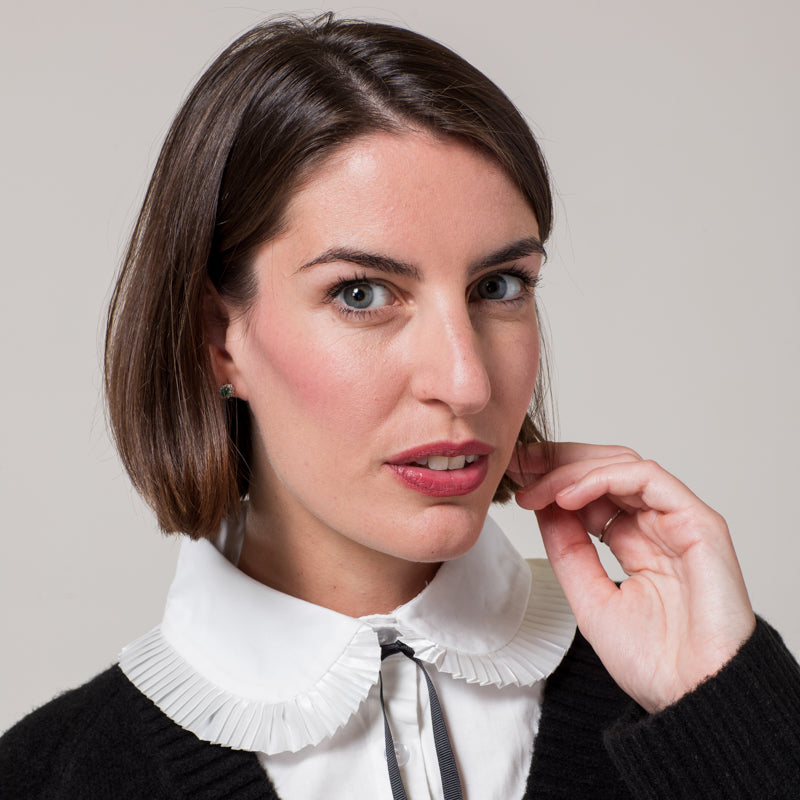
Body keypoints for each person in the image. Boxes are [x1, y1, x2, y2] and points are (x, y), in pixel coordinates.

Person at [1, 12, 798, 799]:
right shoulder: (46, 776)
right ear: (219, 338)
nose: (467, 381)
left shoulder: (686, 693)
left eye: (499, 286)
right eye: (362, 293)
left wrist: (728, 718)